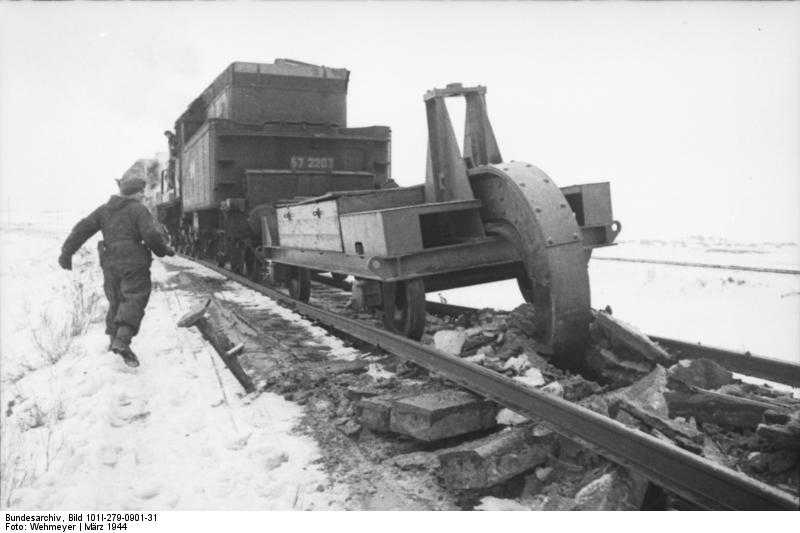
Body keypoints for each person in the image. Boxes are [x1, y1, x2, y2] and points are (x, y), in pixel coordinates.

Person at [58, 176, 175, 367]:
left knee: (116, 300)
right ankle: (122, 341)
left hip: (110, 262)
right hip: (133, 261)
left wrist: (66, 252)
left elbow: (82, 229)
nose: (144, 195)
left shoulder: (104, 210)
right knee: (134, 297)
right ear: (137, 193)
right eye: (142, 192)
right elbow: (151, 234)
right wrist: (163, 250)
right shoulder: (138, 209)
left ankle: (113, 343)